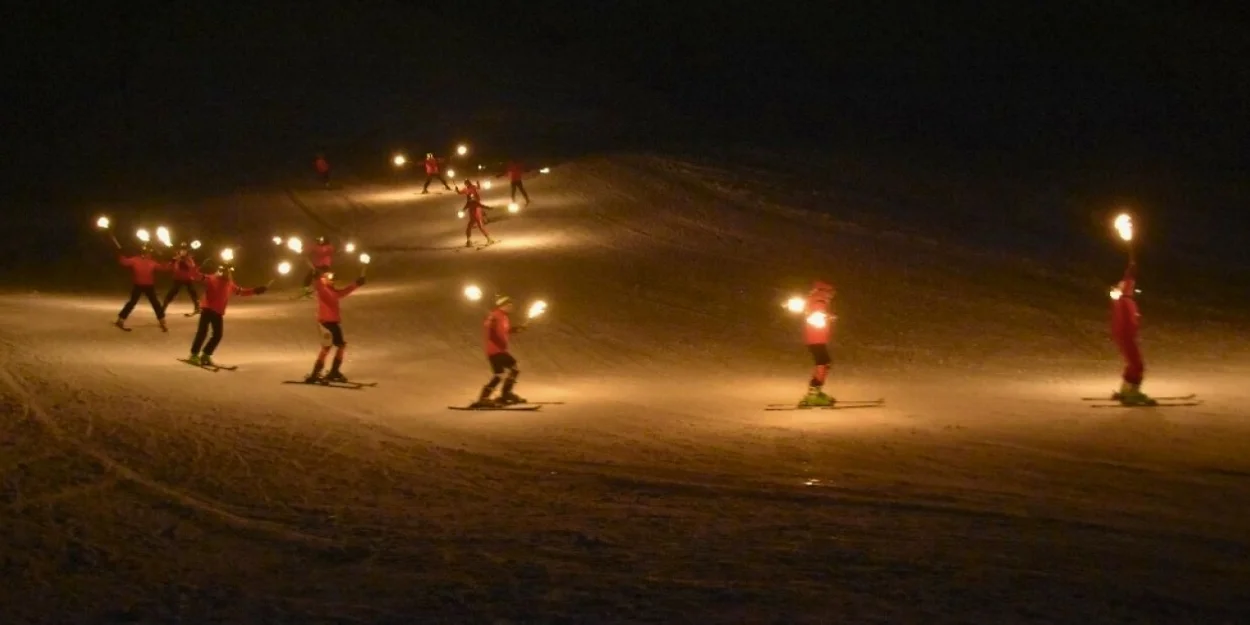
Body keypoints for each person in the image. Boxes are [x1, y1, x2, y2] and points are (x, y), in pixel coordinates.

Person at [186, 263, 268, 366]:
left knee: (217, 335)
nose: (226, 274)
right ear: (220, 271)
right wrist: (196, 266)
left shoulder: (229, 284)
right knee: (202, 332)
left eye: (228, 272)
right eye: (224, 271)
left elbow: (241, 292)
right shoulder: (211, 278)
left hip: (218, 312)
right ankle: (194, 354)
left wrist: (256, 291)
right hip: (207, 309)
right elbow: (197, 276)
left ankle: (206, 354)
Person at [306, 269, 366, 382]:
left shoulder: (332, 291)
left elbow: (343, 293)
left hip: (334, 322)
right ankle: (315, 373)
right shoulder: (322, 290)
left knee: (341, 345)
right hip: (325, 323)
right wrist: (315, 276)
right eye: (328, 277)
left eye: (332, 277)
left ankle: (334, 371)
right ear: (323, 278)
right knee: (326, 347)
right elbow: (317, 284)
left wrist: (357, 284)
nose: (331, 279)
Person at [1109, 261, 1155, 405]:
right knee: (1137, 365)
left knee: (1132, 364)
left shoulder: (1123, 300)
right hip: (1126, 337)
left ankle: (1125, 390)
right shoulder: (1124, 300)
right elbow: (1128, 282)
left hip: (1125, 336)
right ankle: (1133, 393)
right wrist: (1131, 272)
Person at [474, 294, 528, 407]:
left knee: (513, 369)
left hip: (501, 350)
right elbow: (489, 326)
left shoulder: (504, 317)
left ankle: (506, 394)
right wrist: (491, 323)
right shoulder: (495, 315)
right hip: (494, 350)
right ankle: (484, 398)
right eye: (508, 305)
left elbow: (505, 330)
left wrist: (517, 329)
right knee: (500, 374)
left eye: (511, 305)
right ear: (502, 305)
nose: (511, 307)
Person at [115, 245, 170, 332]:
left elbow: (163, 268)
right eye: (145, 253)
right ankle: (121, 319)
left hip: (149, 285)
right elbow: (124, 262)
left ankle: (162, 320)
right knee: (132, 302)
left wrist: (167, 261)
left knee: (155, 303)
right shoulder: (135, 260)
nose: (146, 254)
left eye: (148, 253)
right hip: (138, 285)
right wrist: (120, 253)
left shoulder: (151, 262)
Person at [799, 280, 837, 406]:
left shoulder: (814, 299)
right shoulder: (819, 301)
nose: (832, 295)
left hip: (815, 338)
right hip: (816, 339)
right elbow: (816, 318)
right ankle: (814, 394)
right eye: (830, 292)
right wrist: (827, 317)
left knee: (823, 363)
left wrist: (827, 316)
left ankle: (815, 392)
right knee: (823, 364)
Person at [162, 242, 201, 316]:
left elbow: (192, 266)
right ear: (180, 250)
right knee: (172, 292)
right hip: (178, 278)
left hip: (187, 278)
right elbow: (170, 266)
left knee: (193, 292)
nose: (183, 251)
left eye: (185, 250)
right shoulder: (176, 257)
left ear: (187, 251)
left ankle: (197, 307)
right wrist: (174, 260)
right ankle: (163, 308)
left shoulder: (189, 258)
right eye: (182, 250)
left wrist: (185, 260)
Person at [457, 180, 494, 247]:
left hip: (476, 214)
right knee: (469, 227)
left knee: (480, 227)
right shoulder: (469, 200)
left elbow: (480, 205)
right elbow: (467, 205)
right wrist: (462, 210)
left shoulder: (473, 200)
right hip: (472, 215)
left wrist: (488, 208)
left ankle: (489, 239)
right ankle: (469, 241)